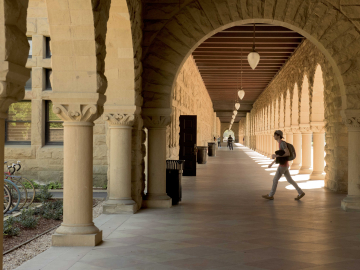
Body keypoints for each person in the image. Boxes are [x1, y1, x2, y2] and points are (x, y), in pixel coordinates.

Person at [262, 130, 305, 201]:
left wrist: (275, 155)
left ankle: (271, 195)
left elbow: (287, 153)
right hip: (285, 165)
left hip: (283, 166)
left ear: (278, 135)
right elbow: (281, 155)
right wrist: (272, 163)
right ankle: (300, 192)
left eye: (275, 135)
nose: (274, 136)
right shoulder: (280, 143)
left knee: (275, 179)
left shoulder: (282, 143)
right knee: (290, 180)